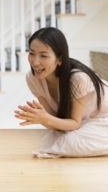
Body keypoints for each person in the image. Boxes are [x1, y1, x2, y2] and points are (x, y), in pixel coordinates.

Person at [15, 27, 108, 158]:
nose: (35, 62)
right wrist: (40, 118)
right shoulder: (32, 78)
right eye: (31, 53)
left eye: (43, 55)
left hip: (102, 119)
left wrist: (45, 118)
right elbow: (57, 123)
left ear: (60, 59)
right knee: (51, 141)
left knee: (68, 142)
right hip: (83, 123)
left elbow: (74, 123)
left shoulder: (78, 78)